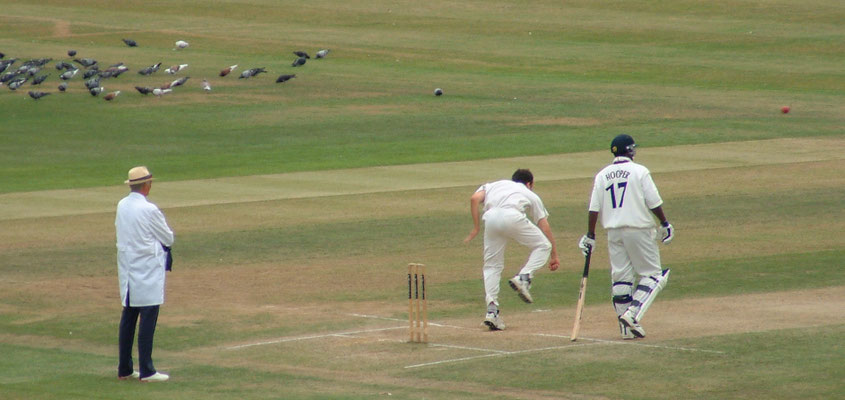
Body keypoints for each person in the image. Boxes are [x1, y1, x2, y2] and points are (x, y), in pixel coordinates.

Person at [578, 134, 674, 339]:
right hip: (638, 229)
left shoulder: (602, 175)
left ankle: (625, 329)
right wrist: (664, 223)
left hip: (614, 232)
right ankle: (632, 315)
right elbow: (653, 201)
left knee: (621, 278)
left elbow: (594, 208)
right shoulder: (640, 171)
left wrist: (591, 235)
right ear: (630, 150)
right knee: (654, 275)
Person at [464, 169, 560, 331]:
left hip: (491, 218)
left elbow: (474, 198)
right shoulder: (530, 194)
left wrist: (475, 228)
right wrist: (554, 255)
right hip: (512, 216)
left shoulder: (494, 185)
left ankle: (492, 311)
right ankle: (524, 277)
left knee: (492, 266)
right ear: (529, 184)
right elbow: (544, 225)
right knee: (543, 245)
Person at [115, 166, 174, 381]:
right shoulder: (149, 209)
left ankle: (125, 367)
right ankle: (147, 370)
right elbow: (168, 238)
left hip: (129, 268)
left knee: (129, 316)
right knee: (148, 316)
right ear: (146, 185)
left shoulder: (122, 205)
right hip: (147, 268)